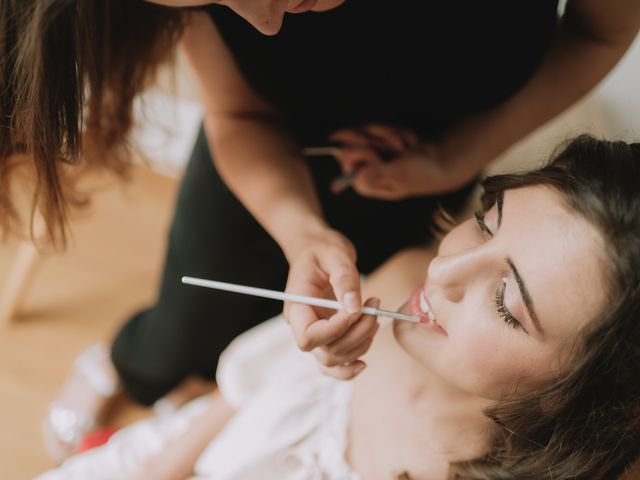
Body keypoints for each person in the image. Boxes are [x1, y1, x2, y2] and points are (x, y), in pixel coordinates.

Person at [1, 0, 639, 459]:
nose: (264, 23)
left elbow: (599, 31)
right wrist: (301, 232)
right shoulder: (419, 287)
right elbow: (237, 111)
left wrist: (458, 157)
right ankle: (133, 367)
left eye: (505, 302)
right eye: (483, 221)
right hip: (257, 169)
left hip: (426, 178)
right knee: (187, 324)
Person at [36, 136, 640, 479]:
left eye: (506, 302)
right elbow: (241, 399)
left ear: (584, 395)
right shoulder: (404, 277)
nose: (443, 271)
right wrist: (162, 468)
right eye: (485, 225)